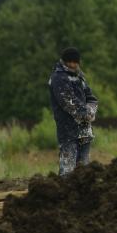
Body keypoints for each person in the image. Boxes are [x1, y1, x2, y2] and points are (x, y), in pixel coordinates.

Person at [48, 47, 98, 176]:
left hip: (85, 130)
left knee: (84, 170)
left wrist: (91, 111)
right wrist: (86, 114)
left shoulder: (80, 76)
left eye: (75, 62)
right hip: (68, 129)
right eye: (70, 62)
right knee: (68, 171)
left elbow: (91, 98)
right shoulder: (58, 77)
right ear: (64, 61)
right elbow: (68, 102)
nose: (73, 65)